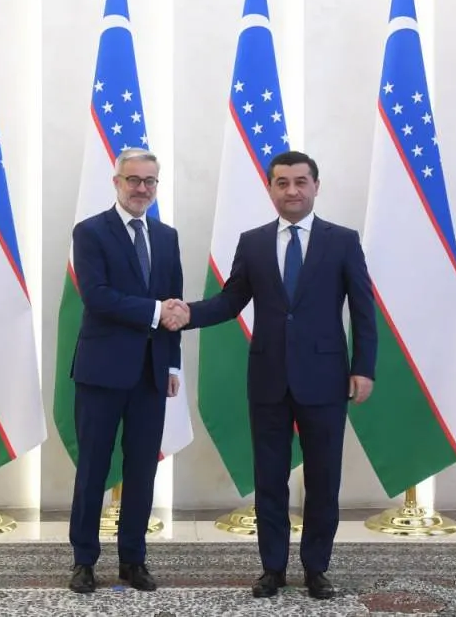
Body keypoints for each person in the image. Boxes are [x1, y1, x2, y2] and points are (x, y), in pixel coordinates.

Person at [176, 150, 377, 600]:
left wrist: (364, 367)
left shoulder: (343, 241)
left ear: (316, 186)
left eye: (301, 182)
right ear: (270, 189)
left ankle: (316, 569)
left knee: (323, 480)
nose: (292, 191)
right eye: (282, 183)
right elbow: (230, 301)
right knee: (269, 479)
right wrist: (186, 313)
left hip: (325, 379)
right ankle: (272, 569)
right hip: (268, 379)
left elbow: (364, 308)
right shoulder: (252, 242)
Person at [66, 148, 188, 594]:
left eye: (149, 181)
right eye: (133, 180)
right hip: (101, 373)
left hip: (151, 374)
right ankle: (83, 560)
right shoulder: (90, 232)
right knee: (93, 469)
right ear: (116, 182)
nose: (141, 188)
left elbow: (174, 304)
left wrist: (171, 363)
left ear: (157, 186)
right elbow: (97, 296)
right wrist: (156, 311)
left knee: (142, 471)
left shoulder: (168, 236)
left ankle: (133, 560)